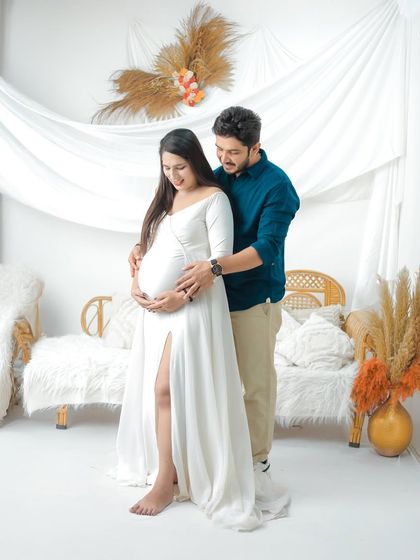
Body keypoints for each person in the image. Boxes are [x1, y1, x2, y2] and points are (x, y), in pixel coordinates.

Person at [130, 108, 300, 480]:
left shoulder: (277, 186)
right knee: (209, 382)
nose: (224, 158)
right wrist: (145, 251)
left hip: (252, 300)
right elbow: (181, 228)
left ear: (256, 147)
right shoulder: (215, 179)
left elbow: (266, 247)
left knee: (254, 385)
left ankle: (256, 460)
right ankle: (211, 455)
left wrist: (215, 268)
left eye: (234, 152)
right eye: (220, 149)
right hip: (207, 303)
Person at [117, 128, 271, 530]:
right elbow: (149, 247)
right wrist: (137, 274)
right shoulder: (166, 197)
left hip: (191, 309)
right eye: (166, 168)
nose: (173, 175)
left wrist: (178, 298)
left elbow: (217, 263)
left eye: (180, 167)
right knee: (160, 388)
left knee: (166, 387)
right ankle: (167, 469)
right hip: (155, 312)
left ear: (195, 160)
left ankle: (167, 479)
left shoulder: (214, 198)